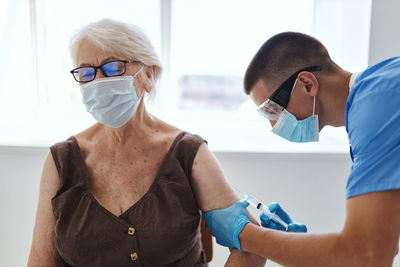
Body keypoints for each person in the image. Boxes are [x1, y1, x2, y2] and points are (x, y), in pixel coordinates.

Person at [27, 19, 266, 267]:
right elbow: (40, 262)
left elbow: (253, 248)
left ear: (149, 75)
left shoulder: (188, 153)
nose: (98, 82)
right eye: (87, 73)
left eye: (113, 67)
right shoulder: (61, 161)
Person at [203, 32, 400, 266]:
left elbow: (367, 255)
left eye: (273, 111)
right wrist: (298, 245)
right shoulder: (381, 86)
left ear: (307, 84)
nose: (274, 125)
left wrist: (246, 236)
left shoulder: (375, 111)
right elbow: (385, 240)